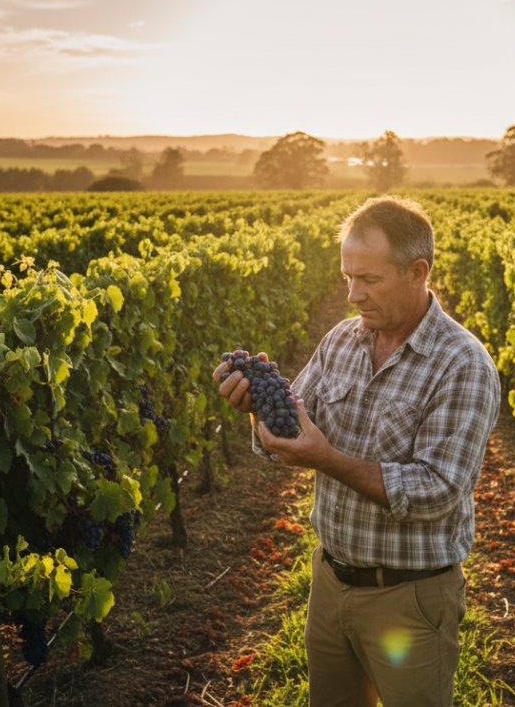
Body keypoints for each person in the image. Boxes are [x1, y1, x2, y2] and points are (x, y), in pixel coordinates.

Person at [212, 196, 500, 707]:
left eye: (368, 279)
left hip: (410, 597)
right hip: (330, 584)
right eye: (347, 277)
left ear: (418, 272)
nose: (352, 295)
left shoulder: (462, 364)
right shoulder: (343, 340)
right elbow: (290, 434)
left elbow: (437, 491)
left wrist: (327, 459)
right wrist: (257, 411)